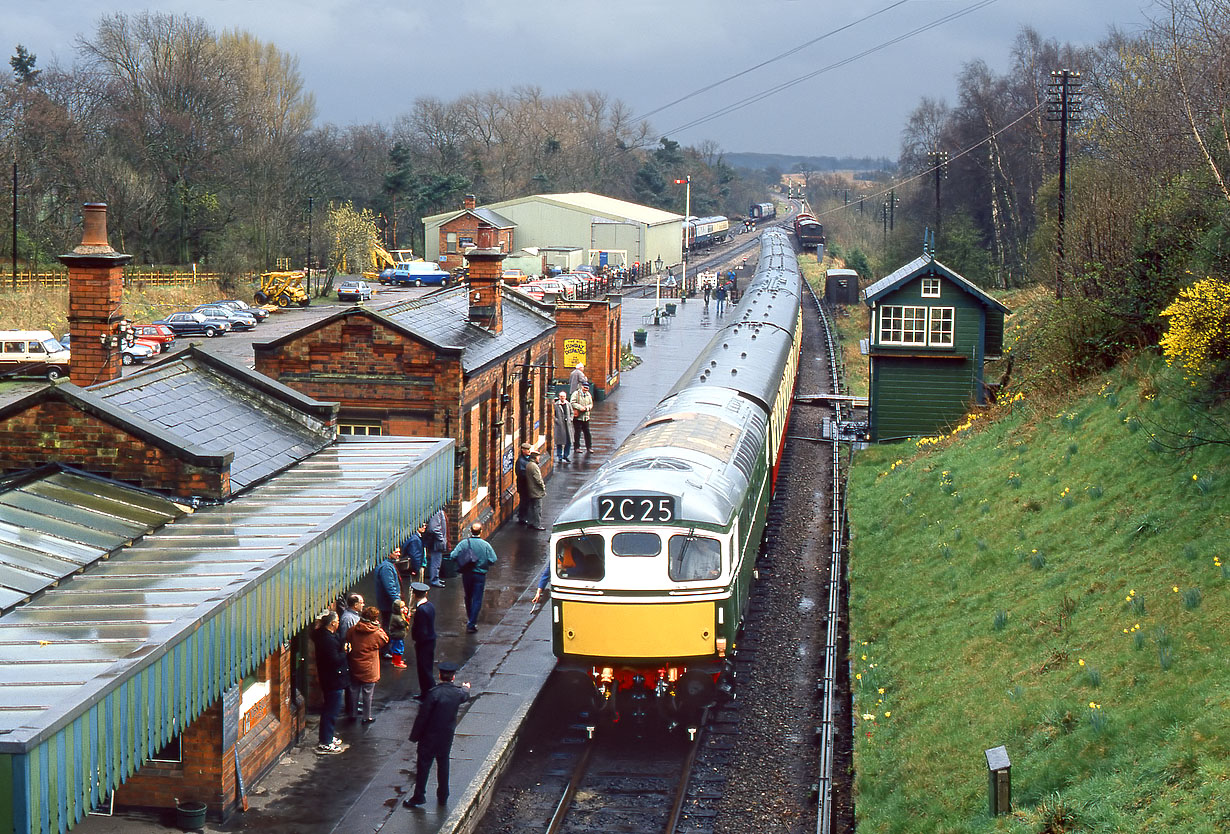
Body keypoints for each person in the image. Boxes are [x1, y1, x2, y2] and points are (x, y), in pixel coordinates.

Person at [402, 662, 471, 809]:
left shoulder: (433, 694)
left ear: (440, 676)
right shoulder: (457, 693)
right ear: (453, 677)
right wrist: (466, 687)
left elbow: (422, 717)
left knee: (424, 766)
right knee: (443, 763)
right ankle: (443, 795)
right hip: (446, 736)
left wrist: (415, 736)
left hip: (429, 737)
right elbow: (465, 694)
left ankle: (419, 796)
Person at [311, 610, 349, 754]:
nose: (339, 624)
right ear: (333, 623)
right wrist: (345, 652)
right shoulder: (327, 640)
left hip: (330, 678)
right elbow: (335, 660)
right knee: (331, 710)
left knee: (331, 709)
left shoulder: (324, 636)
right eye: (337, 621)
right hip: (333, 679)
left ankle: (328, 736)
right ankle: (325, 742)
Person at [451, 521, 499, 633]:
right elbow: (493, 559)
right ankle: (472, 623)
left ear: (470, 531)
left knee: (468, 596)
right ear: (481, 532)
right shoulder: (485, 545)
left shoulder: (464, 543)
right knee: (477, 599)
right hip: (480, 575)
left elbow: (453, 555)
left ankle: (470, 618)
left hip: (467, 574)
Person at [346, 606, 389, 724]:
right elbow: (384, 640)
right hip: (369, 667)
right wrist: (378, 627)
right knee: (368, 692)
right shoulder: (376, 633)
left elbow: (348, 637)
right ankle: (366, 716)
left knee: (354, 690)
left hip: (355, 663)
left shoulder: (354, 629)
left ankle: (352, 714)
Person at [409, 582, 436, 699]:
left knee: (424, 669)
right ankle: (426, 693)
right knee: (426, 667)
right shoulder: (430, 606)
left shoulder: (421, 610)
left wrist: (416, 639)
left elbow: (421, 630)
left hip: (424, 643)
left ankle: (429, 693)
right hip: (430, 641)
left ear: (414, 595)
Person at [338, 593, 364, 717]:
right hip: (351, 654)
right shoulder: (348, 619)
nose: (363, 604)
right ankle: (351, 708)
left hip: (354, 652)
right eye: (361, 602)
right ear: (355, 605)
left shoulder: (353, 616)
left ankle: (353, 705)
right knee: (352, 683)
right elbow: (344, 637)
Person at [375, 548, 403, 636]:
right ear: (389, 553)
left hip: (387, 603)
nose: (399, 554)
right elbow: (390, 588)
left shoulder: (387, 565)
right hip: (388, 604)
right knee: (389, 628)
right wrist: (399, 603)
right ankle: (386, 648)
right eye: (396, 552)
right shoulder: (386, 568)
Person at [425, 508, 448, 588]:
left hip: (437, 542)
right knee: (436, 561)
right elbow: (433, 528)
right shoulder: (436, 512)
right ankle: (434, 579)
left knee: (437, 560)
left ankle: (436, 577)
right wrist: (441, 539)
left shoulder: (438, 511)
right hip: (436, 542)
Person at [524, 450, 546, 530]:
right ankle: (537, 524)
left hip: (530, 490)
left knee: (531, 507)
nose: (539, 459)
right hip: (536, 491)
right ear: (535, 457)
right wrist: (543, 487)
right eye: (538, 457)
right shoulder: (534, 466)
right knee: (537, 508)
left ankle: (530, 522)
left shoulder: (529, 465)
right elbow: (538, 479)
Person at [569, 381, 594, 453]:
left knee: (587, 433)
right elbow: (572, 403)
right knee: (577, 433)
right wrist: (580, 408)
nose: (585, 389)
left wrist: (587, 408)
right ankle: (576, 447)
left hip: (586, 417)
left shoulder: (588, 395)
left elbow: (591, 404)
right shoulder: (576, 394)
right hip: (578, 417)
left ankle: (589, 447)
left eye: (587, 388)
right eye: (584, 387)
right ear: (581, 387)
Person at [388, 599, 409, 668]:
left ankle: (395, 660)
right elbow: (403, 624)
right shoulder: (397, 617)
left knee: (396, 648)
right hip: (398, 636)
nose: (403, 609)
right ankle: (397, 662)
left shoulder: (396, 615)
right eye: (402, 608)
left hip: (397, 635)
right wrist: (407, 616)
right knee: (398, 649)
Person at [514, 442, 532, 525]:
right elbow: (521, 473)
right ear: (523, 450)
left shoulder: (527, 459)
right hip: (523, 485)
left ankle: (525, 516)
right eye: (527, 449)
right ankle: (522, 517)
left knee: (527, 501)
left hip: (527, 485)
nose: (529, 451)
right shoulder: (521, 461)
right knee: (524, 501)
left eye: (529, 449)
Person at [553, 391, 573, 462]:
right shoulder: (556, 405)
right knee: (559, 442)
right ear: (559, 397)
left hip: (567, 425)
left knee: (568, 441)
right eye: (561, 396)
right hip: (560, 426)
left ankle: (566, 455)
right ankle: (560, 456)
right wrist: (557, 421)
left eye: (564, 396)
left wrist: (570, 419)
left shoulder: (568, 404)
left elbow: (571, 413)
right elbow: (553, 415)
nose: (562, 398)